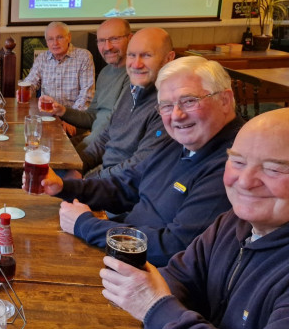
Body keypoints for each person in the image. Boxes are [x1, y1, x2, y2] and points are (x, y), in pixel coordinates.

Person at [101, 108, 289, 329]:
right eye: (238, 162)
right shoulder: (234, 222)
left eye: (274, 168)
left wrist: (156, 309)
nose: (245, 181)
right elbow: (172, 281)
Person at [37, 56, 244, 267]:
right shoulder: (180, 140)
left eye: (189, 101)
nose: (177, 115)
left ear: (225, 100)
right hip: (123, 253)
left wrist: (86, 225)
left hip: (150, 278)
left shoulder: (234, 165)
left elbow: (175, 247)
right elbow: (126, 186)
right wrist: (65, 187)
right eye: (166, 105)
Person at [74, 27, 176, 179]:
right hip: (104, 179)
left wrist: (85, 182)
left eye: (146, 55)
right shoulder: (133, 89)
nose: (136, 64)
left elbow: (137, 168)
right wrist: (76, 166)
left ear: (168, 59)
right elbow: (105, 137)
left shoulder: (169, 106)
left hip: (120, 190)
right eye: (131, 55)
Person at [40, 18, 131, 154]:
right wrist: (61, 110)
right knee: (41, 149)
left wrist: (77, 164)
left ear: (130, 38)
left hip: (104, 149)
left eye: (114, 39)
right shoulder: (106, 72)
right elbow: (92, 117)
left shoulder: (134, 77)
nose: (107, 47)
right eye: (101, 40)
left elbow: (111, 131)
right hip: (92, 141)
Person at [23, 22, 95, 136]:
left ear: (69, 37)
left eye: (59, 37)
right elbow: (31, 82)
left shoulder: (84, 57)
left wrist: (72, 119)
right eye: (50, 39)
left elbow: (86, 94)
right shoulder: (42, 58)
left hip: (75, 118)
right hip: (48, 117)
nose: (55, 43)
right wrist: (25, 90)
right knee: (29, 135)